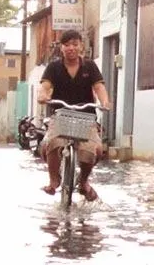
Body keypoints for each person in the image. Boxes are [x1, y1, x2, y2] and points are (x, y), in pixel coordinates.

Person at [37, 29, 110, 202]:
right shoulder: (54, 67)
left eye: (74, 44)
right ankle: (54, 180)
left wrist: (105, 101)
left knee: (96, 150)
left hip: (86, 118)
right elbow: (45, 86)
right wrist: (42, 95)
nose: (71, 48)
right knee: (50, 144)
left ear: (81, 46)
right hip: (60, 116)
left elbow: (99, 87)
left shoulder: (90, 66)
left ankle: (84, 182)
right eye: (67, 45)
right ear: (61, 48)